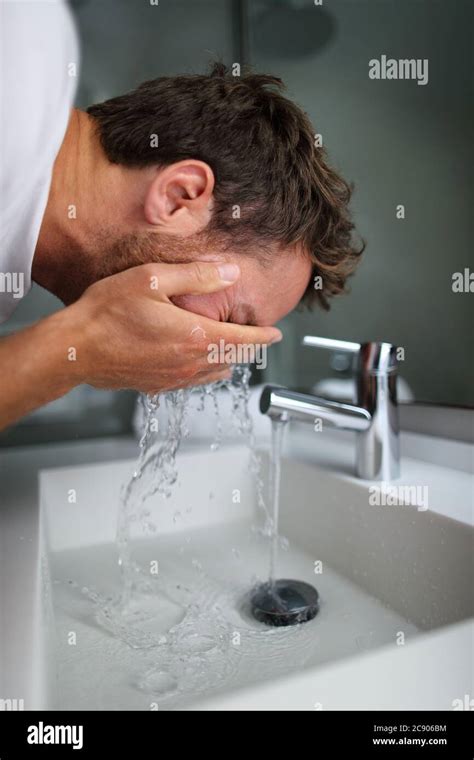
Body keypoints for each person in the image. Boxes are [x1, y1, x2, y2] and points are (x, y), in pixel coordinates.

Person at [0, 0, 362, 431]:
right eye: (229, 320)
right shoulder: (15, 65)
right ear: (179, 195)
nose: (213, 353)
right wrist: (81, 345)